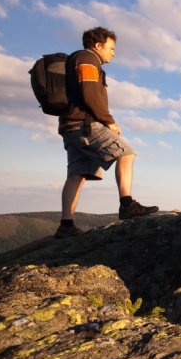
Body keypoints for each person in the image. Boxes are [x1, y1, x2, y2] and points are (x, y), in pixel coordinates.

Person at [54, 26, 157, 239]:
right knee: (126, 154)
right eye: (111, 48)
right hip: (85, 125)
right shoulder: (87, 59)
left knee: (77, 174)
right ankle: (127, 204)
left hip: (70, 126)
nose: (114, 53)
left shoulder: (79, 59)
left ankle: (66, 225)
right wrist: (109, 121)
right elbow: (90, 93)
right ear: (98, 45)